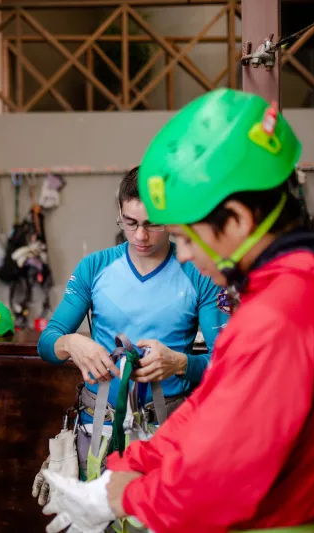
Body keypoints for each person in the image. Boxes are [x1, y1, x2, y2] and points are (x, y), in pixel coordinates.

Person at [41, 88, 314, 533]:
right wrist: (128, 464)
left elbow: (226, 478)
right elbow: (212, 407)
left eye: (184, 236)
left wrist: (121, 495)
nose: (181, 255)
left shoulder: (282, 314)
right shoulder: (305, 281)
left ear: (238, 220)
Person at [36, 166, 229, 476]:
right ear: (120, 212)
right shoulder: (94, 267)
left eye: (153, 224)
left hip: (169, 430)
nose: (141, 235)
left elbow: (229, 363)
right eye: (131, 223)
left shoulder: (198, 270)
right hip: (97, 429)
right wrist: (70, 343)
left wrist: (181, 363)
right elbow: (46, 344)